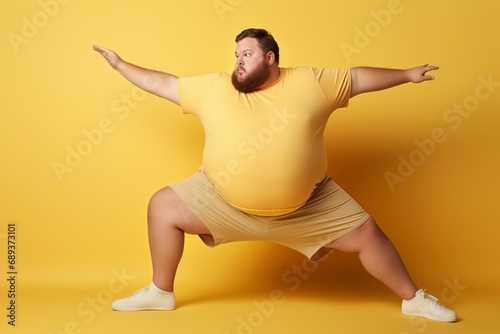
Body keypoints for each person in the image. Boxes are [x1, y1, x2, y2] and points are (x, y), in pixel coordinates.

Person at [93, 28, 457, 322]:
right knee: (163, 206)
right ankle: (160, 292)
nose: (238, 62)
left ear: (270, 58)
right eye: (236, 55)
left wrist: (407, 75)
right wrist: (121, 65)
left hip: (308, 208)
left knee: (369, 235)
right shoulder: (214, 88)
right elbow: (164, 84)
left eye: (246, 54)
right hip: (222, 203)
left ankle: (413, 300)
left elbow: (359, 78)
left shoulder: (311, 82)